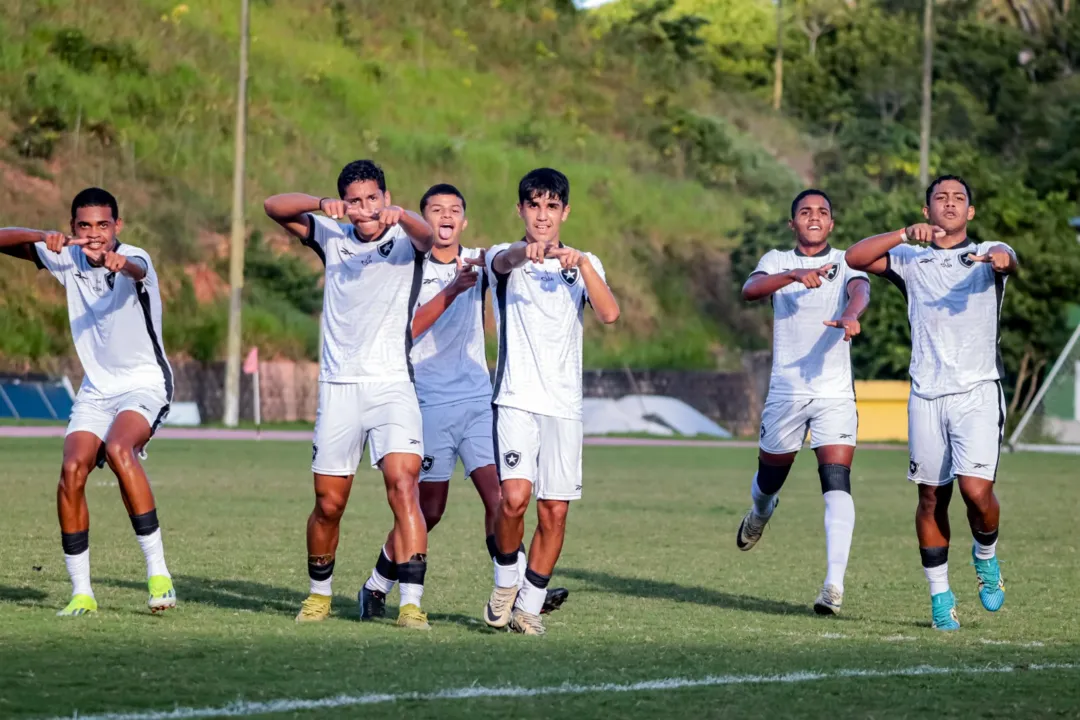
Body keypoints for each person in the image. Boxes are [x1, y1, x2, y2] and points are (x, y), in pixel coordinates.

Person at [359, 183, 568, 619]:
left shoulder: (478, 261)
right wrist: (452, 289)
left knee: (502, 500)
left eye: (454, 210)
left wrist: (530, 249)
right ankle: (376, 584)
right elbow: (408, 329)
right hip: (429, 403)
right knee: (429, 511)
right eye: (436, 210)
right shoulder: (408, 266)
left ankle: (517, 591)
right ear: (424, 220)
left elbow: (507, 258)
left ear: (464, 220)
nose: (446, 217)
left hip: (477, 402)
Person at [263, 160, 435, 629]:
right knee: (329, 504)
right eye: (355, 200)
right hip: (339, 388)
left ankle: (411, 604)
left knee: (404, 488)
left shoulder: (405, 238)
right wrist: (323, 205)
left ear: (385, 196)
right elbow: (272, 206)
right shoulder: (331, 235)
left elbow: (431, 240)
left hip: (393, 385)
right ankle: (319, 595)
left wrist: (403, 215)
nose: (364, 209)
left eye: (372, 198)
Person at [845, 175, 1013, 630]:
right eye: (941, 198)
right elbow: (854, 257)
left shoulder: (987, 251)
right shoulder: (910, 259)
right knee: (930, 498)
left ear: (970, 212)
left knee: (976, 493)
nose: (951, 204)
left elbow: (1008, 260)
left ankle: (986, 555)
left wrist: (999, 259)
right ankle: (940, 599)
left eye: (959, 198)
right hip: (926, 395)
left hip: (978, 391)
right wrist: (901, 235)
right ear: (927, 212)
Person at [0, 188, 176, 616]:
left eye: (103, 225)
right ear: (73, 227)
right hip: (97, 389)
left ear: (117, 226)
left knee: (119, 449)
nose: (94, 234)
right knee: (71, 469)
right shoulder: (65, 257)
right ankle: (82, 593)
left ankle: (159, 573)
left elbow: (135, 269)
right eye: (84, 225)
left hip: (145, 384)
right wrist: (44, 236)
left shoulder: (137, 259)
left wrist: (121, 263)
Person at [483, 168, 620, 635]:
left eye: (551, 206)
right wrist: (530, 252)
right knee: (514, 499)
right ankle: (506, 583)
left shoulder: (585, 264)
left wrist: (579, 265)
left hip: (564, 406)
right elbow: (503, 264)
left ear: (565, 211)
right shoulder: (503, 256)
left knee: (555, 511)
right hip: (516, 398)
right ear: (520, 209)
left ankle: (529, 606)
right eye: (534, 205)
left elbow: (609, 313)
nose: (543, 215)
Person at [737, 189, 870, 615]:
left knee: (836, 479)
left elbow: (860, 290)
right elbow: (750, 289)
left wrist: (852, 315)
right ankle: (760, 511)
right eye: (805, 212)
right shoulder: (777, 260)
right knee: (770, 479)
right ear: (792, 222)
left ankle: (833, 585)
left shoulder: (848, 258)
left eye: (823, 212)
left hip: (834, 392)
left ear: (832, 223)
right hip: (787, 390)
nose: (814, 217)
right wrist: (794, 276)